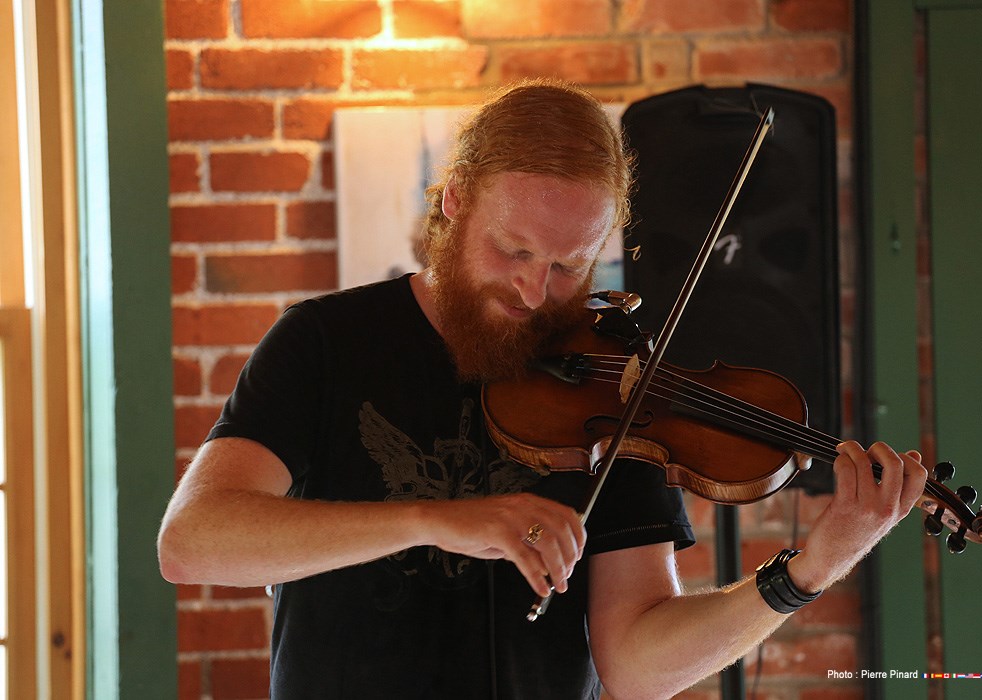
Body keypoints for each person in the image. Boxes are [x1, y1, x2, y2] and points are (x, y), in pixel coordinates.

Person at [158, 78, 927, 699]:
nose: (533, 290)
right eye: (512, 249)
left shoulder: (613, 386)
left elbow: (634, 664)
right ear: (455, 199)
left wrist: (807, 573)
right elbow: (193, 544)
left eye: (567, 267)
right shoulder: (323, 343)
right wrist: (434, 519)